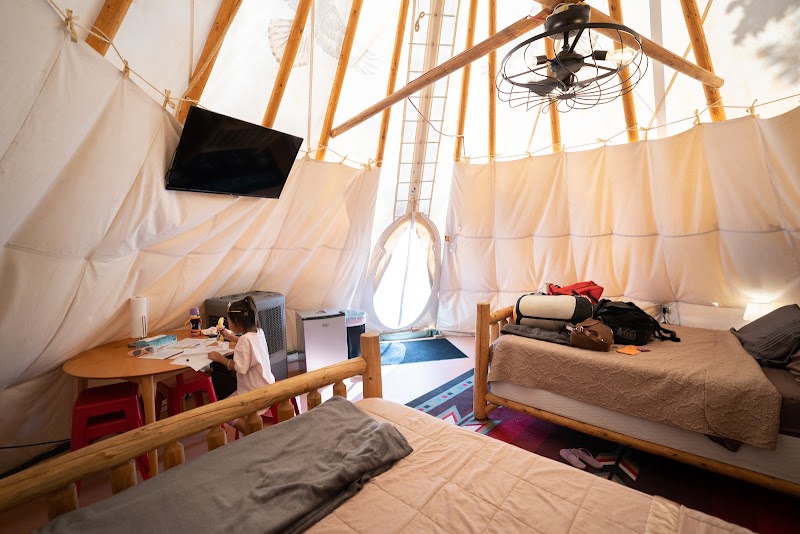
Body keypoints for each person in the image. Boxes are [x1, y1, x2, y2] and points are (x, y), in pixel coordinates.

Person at [208, 296, 275, 433]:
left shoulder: (245, 340)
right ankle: (253, 428)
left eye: (229, 320)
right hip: (267, 385)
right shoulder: (259, 332)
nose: (228, 323)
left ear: (237, 322)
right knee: (229, 403)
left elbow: (239, 367)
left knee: (222, 411)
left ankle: (252, 433)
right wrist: (231, 337)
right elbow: (249, 344)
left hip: (253, 392)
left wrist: (220, 358)